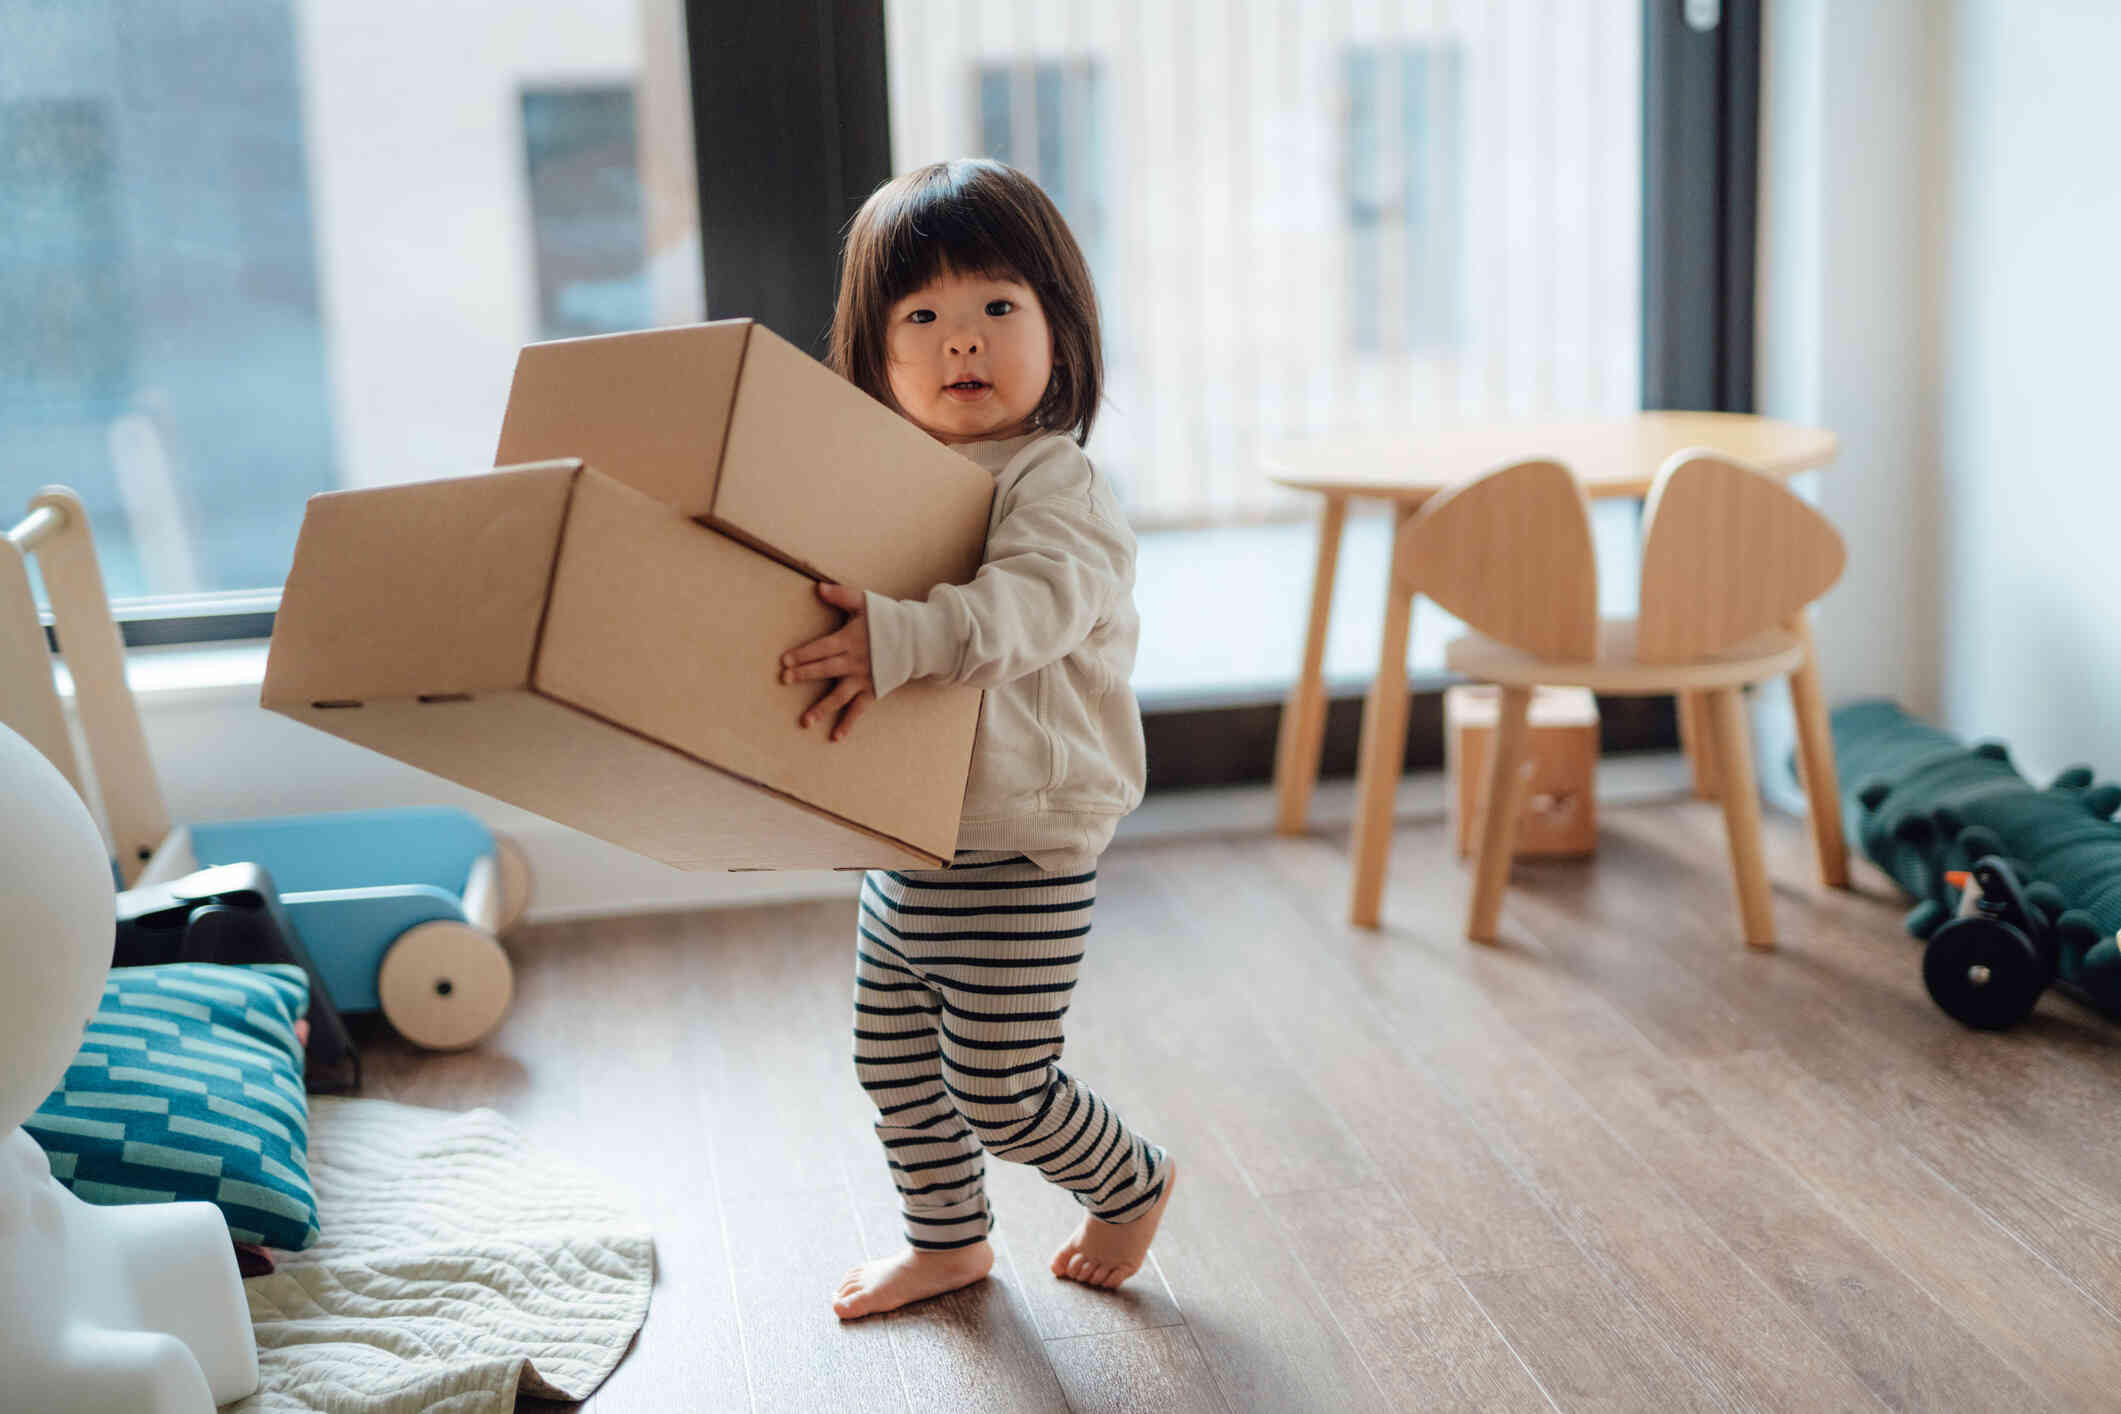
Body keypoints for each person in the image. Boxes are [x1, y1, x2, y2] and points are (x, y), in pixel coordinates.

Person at [777, 158, 1176, 1320]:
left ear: (1062, 329)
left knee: (998, 1085)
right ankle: (946, 1241)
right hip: (908, 832)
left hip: (1020, 837)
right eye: (925, 315)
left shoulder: (1059, 483)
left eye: (999, 305)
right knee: (894, 1065)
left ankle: (1130, 1178)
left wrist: (897, 639)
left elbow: (1029, 608)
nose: (964, 342)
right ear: (877, 350)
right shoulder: (895, 487)